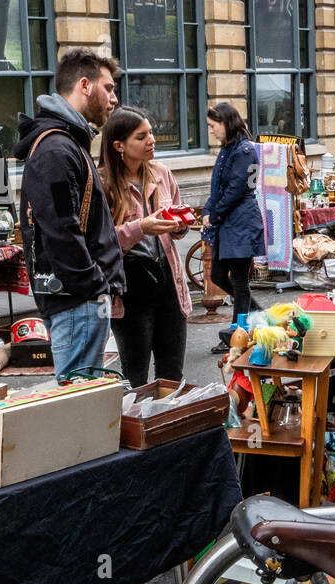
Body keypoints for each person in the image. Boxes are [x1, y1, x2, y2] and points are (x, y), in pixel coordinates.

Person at [15, 47, 125, 383]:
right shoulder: (56, 148)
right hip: (77, 301)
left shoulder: (66, 142)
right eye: (108, 88)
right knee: (79, 407)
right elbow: (61, 229)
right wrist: (94, 286)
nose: (114, 99)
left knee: (85, 401)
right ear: (85, 86)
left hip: (81, 298)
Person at [99, 106, 193, 387]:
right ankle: (137, 428)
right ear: (119, 145)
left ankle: (168, 428)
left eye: (151, 133)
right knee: (135, 375)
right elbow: (100, 242)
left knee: (171, 374)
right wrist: (141, 227)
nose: (151, 140)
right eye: (141, 137)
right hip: (130, 291)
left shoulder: (162, 173)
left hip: (169, 287)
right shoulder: (103, 184)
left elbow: (175, 226)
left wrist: (180, 224)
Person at [203, 102, 264, 329]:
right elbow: (218, 187)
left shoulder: (244, 150)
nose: (211, 130)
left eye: (213, 126)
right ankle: (256, 311)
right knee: (218, 276)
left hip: (242, 222)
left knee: (239, 281)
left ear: (225, 123)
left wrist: (214, 215)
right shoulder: (227, 147)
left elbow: (236, 190)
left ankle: (239, 331)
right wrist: (208, 210)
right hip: (228, 222)